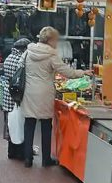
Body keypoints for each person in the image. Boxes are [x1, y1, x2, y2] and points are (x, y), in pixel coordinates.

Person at [22, 26, 89, 168]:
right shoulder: (51, 55)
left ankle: (27, 158)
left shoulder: (28, 51)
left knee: (29, 124)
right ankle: (46, 159)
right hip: (45, 92)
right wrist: (82, 72)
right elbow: (67, 72)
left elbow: (20, 67)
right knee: (46, 125)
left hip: (29, 91)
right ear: (51, 40)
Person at [0, 38, 31, 159]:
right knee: (19, 125)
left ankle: (11, 151)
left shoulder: (9, 57)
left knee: (10, 125)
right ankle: (20, 152)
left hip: (8, 95)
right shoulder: (21, 60)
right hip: (17, 97)